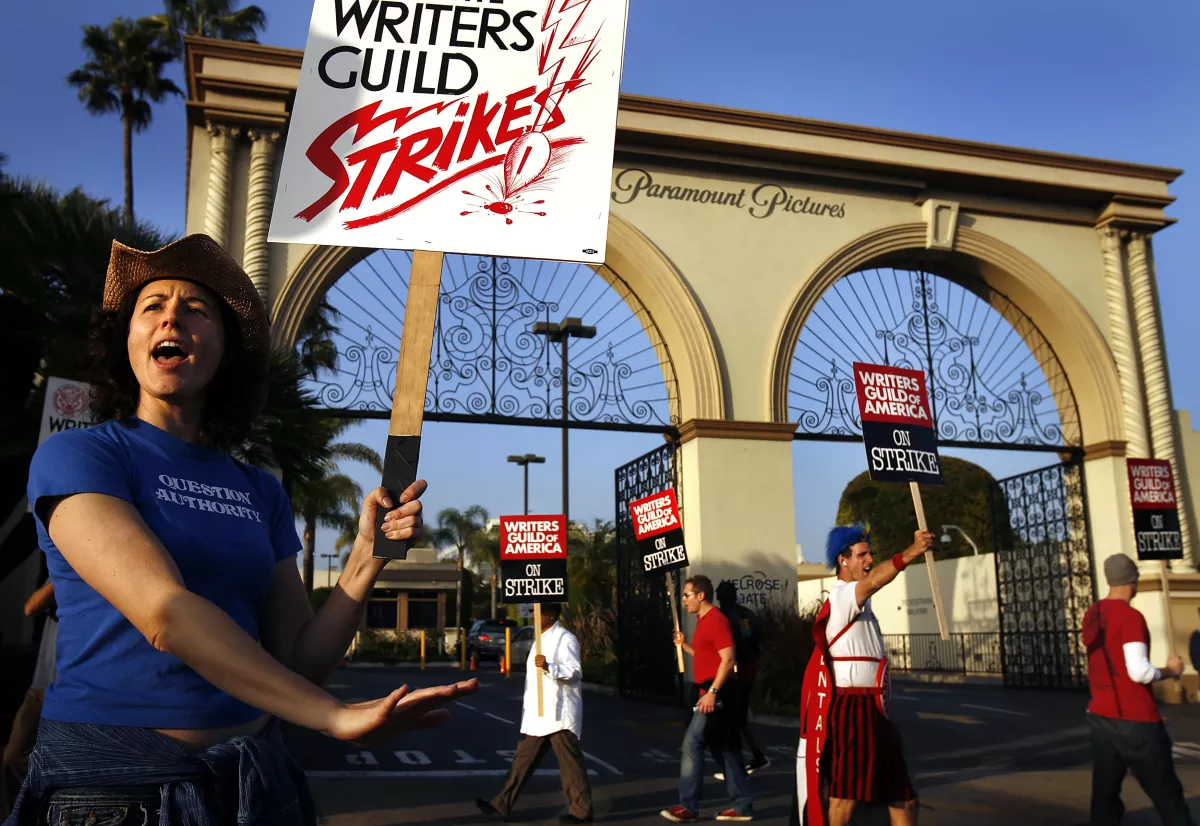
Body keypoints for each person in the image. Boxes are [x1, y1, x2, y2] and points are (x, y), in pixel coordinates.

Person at [5, 234, 478, 826]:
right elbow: (165, 614)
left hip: (250, 788)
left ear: (224, 349)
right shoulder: (81, 456)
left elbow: (298, 660)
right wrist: (331, 716)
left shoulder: (261, 489)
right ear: (126, 339)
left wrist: (366, 555)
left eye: (195, 310)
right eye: (151, 306)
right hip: (115, 791)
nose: (171, 316)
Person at [795, 525, 933, 826]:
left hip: (877, 712)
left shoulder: (862, 606)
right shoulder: (844, 596)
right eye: (862, 554)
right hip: (852, 710)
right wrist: (911, 552)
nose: (869, 558)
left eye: (870, 552)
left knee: (903, 796)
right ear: (843, 561)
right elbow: (872, 583)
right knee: (846, 796)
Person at [1082, 554, 1193, 826]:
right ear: (1134, 581)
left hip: (1101, 717)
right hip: (1137, 721)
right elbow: (1139, 671)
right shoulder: (1130, 617)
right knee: (1168, 796)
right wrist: (1171, 671)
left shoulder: (1092, 613)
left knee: (1105, 796)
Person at [476, 602, 592, 824]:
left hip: (559, 712)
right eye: (532, 613)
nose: (533, 617)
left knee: (570, 765)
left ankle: (582, 812)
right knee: (523, 760)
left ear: (551, 615)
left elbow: (574, 671)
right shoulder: (540, 640)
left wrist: (549, 667)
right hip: (540, 714)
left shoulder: (564, 638)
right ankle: (502, 804)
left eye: (538, 613)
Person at [660, 574, 753, 823]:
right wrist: (685, 645)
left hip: (718, 692)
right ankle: (742, 805)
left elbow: (728, 658)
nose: (684, 601)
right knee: (724, 749)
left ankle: (688, 805)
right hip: (710, 690)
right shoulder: (704, 621)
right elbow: (705, 654)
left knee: (692, 744)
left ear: (701, 596)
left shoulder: (715, 621)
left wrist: (712, 692)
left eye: (687, 595)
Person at [0, 581, 57, 819]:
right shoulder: (68, 559)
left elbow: (34, 604)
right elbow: (33, 605)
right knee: (12, 759)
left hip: (66, 692)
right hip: (41, 687)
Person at [714, 581, 769, 779]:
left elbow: (731, 642)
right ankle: (755, 756)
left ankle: (736, 767)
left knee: (731, 717)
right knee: (739, 716)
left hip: (736, 669)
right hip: (749, 667)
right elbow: (756, 637)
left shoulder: (726, 616)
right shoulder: (747, 614)